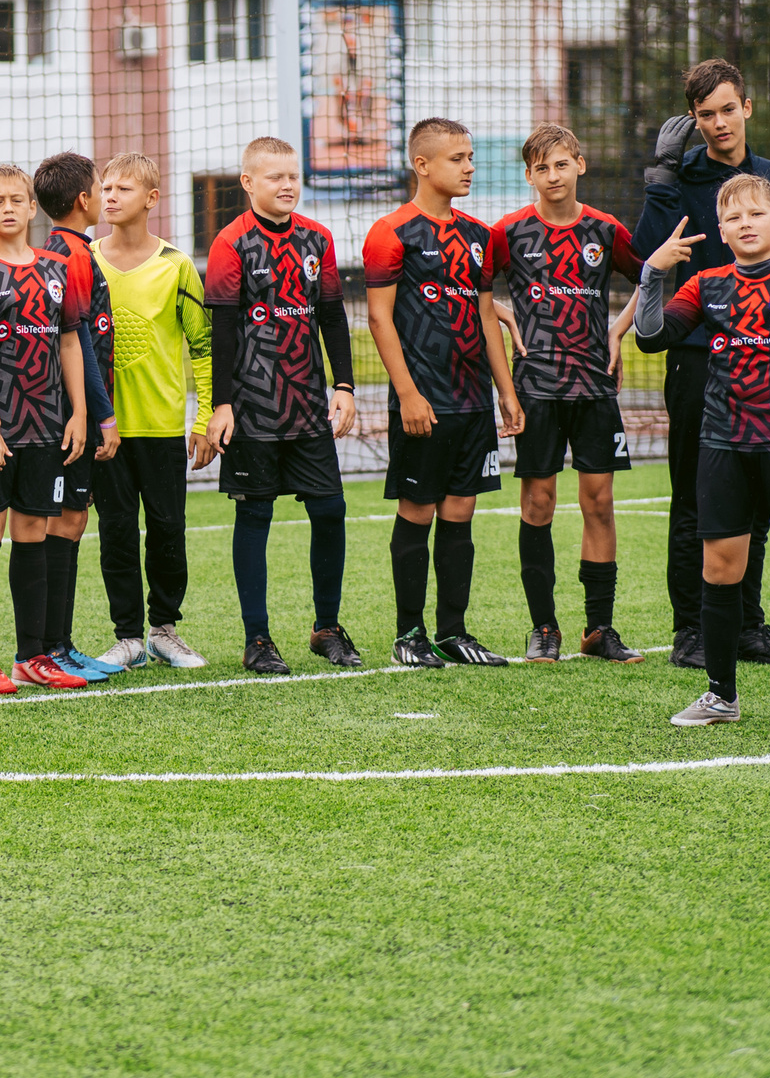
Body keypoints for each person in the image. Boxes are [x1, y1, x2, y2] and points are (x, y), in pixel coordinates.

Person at [633, 176, 770, 731]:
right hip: (722, 445)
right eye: (734, 218)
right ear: (722, 231)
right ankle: (720, 695)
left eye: (756, 214)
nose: (746, 224)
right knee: (719, 569)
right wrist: (653, 272)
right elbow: (651, 337)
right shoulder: (705, 284)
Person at [634, 58, 770, 674]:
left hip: (769, 366)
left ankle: (745, 626)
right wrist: (661, 180)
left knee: (758, 501)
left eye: (728, 110)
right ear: (693, 119)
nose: (719, 123)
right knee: (696, 499)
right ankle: (692, 629)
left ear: (747, 108)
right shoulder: (681, 178)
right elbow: (646, 259)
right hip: (697, 363)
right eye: (706, 114)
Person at [360, 119, 515, 671]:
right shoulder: (391, 232)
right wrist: (407, 394)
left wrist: (506, 392)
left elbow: (486, 316)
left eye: (470, 157)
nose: (469, 167)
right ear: (422, 165)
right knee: (418, 510)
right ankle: (409, 634)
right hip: (423, 402)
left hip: (472, 401)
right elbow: (379, 319)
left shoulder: (479, 235)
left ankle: (453, 632)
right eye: (457, 158)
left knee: (460, 511)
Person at [204, 137, 361, 676]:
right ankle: (257, 638)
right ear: (248, 183)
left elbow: (333, 316)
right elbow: (222, 330)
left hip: (307, 405)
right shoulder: (231, 242)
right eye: (275, 177)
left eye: (293, 175)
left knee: (330, 509)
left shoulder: (318, 238)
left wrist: (344, 386)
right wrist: (221, 405)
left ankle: (327, 628)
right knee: (255, 514)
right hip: (252, 409)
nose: (288, 185)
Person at [490, 124, 646, 665]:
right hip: (535, 386)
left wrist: (618, 329)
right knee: (539, 502)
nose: (552, 176)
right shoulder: (509, 232)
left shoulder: (605, 229)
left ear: (580, 164)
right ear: (528, 176)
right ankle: (544, 628)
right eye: (541, 168)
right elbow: (472, 288)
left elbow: (651, 278)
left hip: (595, 386)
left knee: (598, 502)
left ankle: (599, 629)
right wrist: (506, 315)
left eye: (561, 164)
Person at [0, 165, 90, 693]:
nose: (9, 208)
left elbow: (70, 341)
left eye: (18, 199)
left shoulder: (56, 268)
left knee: (34, 534)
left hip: (47, 425)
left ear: (33, 207)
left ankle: (31, 656)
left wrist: (79, 412)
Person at [88, 152, 215, 671]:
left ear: (152, 199)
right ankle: (127, 638)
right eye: (106, 188)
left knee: (167, 531)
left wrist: (203, 419)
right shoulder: (85, 261)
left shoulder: (176, 265)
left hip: (161, 427)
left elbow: (203, 348)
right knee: (116, 533)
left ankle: (164, 630)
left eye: (124, 188)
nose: (111, 196)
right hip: (106, 431)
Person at [31, 152, 124, 681]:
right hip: (71, 415)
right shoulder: (71, 255)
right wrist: (100, 416)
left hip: (67, 411)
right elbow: (80, 341)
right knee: (65, 521)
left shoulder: (64, 249)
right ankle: (51, 647)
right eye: (100, 188)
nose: (106, 196)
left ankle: (58, 644)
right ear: (84, 199)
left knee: (70, 520)